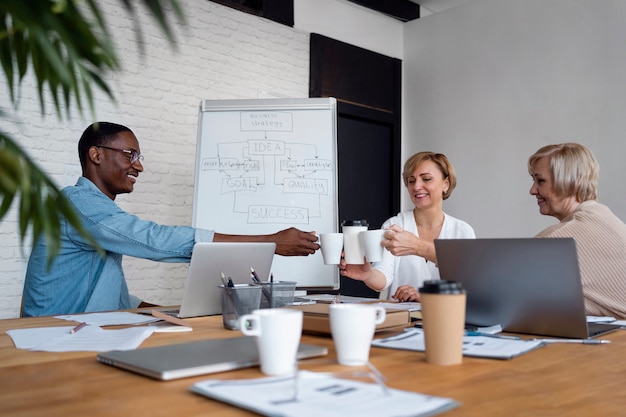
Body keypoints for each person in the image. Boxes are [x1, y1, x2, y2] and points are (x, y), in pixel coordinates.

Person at [22, 122, 320, 317]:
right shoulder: (78, 204)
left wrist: (168, 313)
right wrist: (271, 242)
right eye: (130, 154)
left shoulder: (94, 210)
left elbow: (107, 290)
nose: (139, 166)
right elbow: (153, 240)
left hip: (73, 331)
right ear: (96, 155)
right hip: (51, 336)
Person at [339, 151, 475, 302]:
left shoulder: (462, 231)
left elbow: (468, 283)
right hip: (403, 320)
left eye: (426, 179)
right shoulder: (394, 225)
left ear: (446, 184)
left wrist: (425, 297)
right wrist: (368, 274)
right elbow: (383, 276)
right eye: (411, 181)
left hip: (445, 319)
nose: (416, 186)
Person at [528, 142, 626, 318]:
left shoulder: (560, 239)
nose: (532, 190)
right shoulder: (603, 217)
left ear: (569, 182)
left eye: (540, 181)